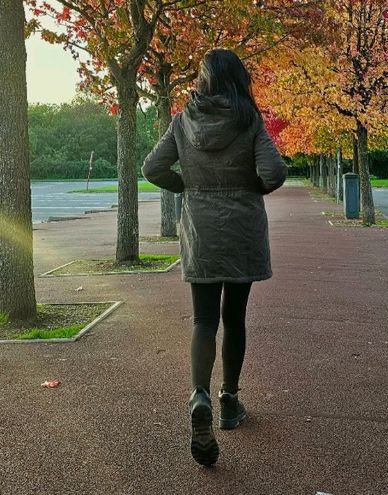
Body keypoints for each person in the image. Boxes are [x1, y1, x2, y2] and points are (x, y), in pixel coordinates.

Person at [142, 48, 287, 466]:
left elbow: (153, 168)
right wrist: (250, 191)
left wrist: (187, 188)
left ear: (204, 80)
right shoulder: (248, 120)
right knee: (234, 318)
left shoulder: (184, 120)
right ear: (239, 79)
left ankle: (198, 395)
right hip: (241, 229)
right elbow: (274, 173)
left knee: (204, 320)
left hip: (201, 230)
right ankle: (228, 401)